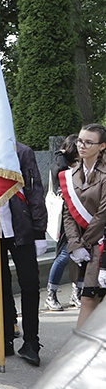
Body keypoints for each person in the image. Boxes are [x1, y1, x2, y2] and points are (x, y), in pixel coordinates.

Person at [0, 141, 47, 366]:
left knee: (29, 283)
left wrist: (39, 230)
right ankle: (5, 338)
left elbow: (34, 190)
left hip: (20, 228)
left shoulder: (22, 152)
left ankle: (31, 342)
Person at [62, 124, 106, 329]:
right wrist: (74, 244)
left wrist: (84, 242)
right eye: (80, 141)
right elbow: (68, 213)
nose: (82, 145)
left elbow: (102, 214)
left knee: (94, 298)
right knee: (88, 298)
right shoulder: (71, 175)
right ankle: (79, 352)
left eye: (89, 142)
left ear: (102, 146)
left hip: (101, 245)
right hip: (85, 248)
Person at [45, 135, 80, 311]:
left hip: (82, 216)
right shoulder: (60, 166)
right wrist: (62, 152)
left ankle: (77, 293)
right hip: (66, 217)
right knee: (65, 255)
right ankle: (51, 294)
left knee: (82, 256)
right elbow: (58, 166)